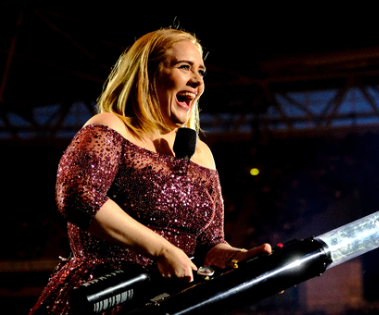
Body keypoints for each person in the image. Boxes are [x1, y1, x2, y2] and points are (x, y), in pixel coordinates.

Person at [29, 28, 272, 315]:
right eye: (184, 67)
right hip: (106, 296)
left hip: (173, 303)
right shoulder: (111, 126)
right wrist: (161, 250)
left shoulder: (202, 153)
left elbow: (209, 243)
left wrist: (238, 259)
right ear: (148, 73)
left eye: (201, 71)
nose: (197, 80)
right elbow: (78, 195)